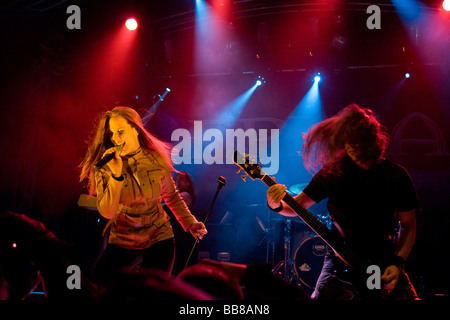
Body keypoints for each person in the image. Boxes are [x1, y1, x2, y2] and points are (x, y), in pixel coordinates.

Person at [267, 104, 419, 300]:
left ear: (373, 142)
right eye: (349, 143)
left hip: (380, 261)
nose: (353, 148)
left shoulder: (395, 175)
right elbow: (296, 207)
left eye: (359, 143)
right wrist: (275, 203)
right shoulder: (333, 173)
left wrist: (396, 264)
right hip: (339, 260)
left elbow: (409, 226)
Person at [79, 106, 207, 286]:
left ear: (136, 129)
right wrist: (116, 174)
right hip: (123, 239)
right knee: (96, 286)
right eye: (112, 133)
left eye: (120, 132)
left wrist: (190, 222)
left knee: (155, 293)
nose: (115, 138)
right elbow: (107, 212)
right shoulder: (107, 164)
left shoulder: (157, 159)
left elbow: (171, 196)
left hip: (158, 237)